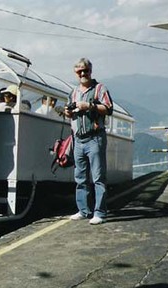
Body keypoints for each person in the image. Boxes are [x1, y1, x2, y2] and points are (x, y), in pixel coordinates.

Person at [63, 58, 113, 225]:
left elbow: (108, 108)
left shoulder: (100, 88)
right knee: (80, 177)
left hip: (95, 137)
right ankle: (84, 210)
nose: (83, 74)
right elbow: (69, 111)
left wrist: (89, 106)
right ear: (75, 73)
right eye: (80, 72)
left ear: (91, 71)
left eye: (86, 71)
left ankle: (100, 212)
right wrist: (68, 112)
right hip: (78, 139)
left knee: (98, 177)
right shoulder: (73, 92)